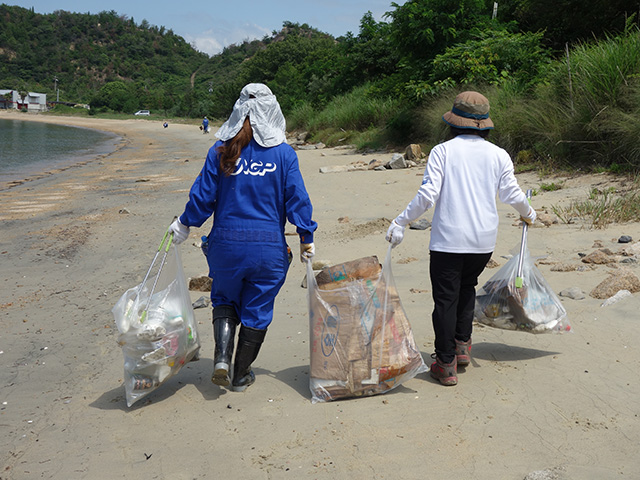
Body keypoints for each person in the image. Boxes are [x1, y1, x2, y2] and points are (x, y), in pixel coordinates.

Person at [169, 83, 317, 392]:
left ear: (238, 111)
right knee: (258, 307)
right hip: (268, 249)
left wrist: (184, 224)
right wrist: (306, 236)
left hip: (225, 246)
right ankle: (240, 374)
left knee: (223, 298)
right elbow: (297, 200)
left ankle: (221, 357)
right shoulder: (284, 154)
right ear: (273, 111)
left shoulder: (220, 150)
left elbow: (203, 198)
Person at [385, 91, 536, 386]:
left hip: (448, 241)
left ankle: (445, 362)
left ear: (454, 121)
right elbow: (511, 194)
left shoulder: (443, 151)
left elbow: (428, 195)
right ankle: (462, 346)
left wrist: (401, 221)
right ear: (484, 124)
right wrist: (529, 213)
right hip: (482, 242)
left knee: (444, 299)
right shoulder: (498, 155)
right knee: (467, 287)